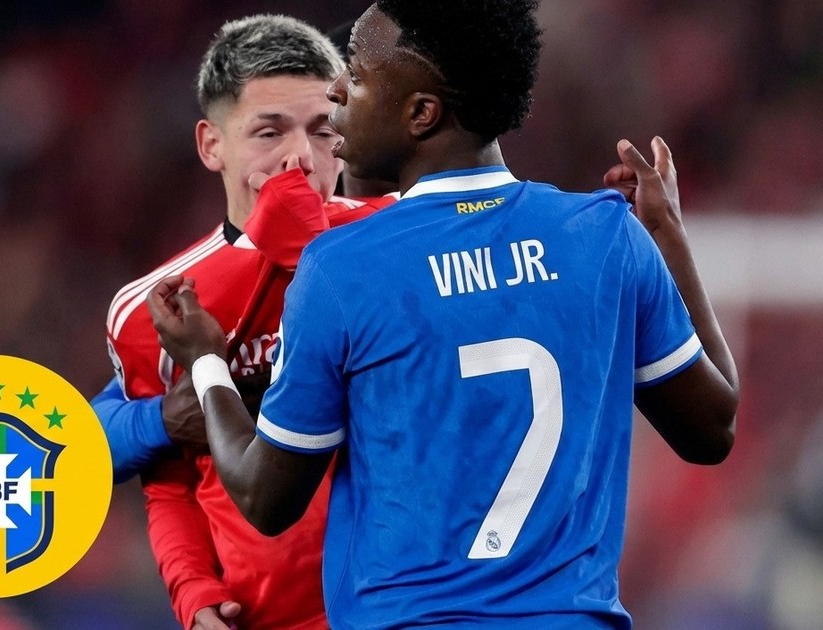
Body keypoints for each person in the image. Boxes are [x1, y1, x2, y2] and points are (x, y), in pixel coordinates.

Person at [148, 1, 739, 628]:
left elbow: (264, 498)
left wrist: (206, 362)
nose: (337, 89)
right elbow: (712, 429)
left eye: (358, 73)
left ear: (421, 114)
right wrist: (667, 235)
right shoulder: (605, 235)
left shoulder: (343, 267)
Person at [92, 15, 394, 630]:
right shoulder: (157, 307)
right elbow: (170, 484)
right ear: (212, 146)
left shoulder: (399, 242)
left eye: (322, 130)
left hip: (406, 610)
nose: (299, 157)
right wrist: (193, 592)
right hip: (263, 618)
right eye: (269, 132)